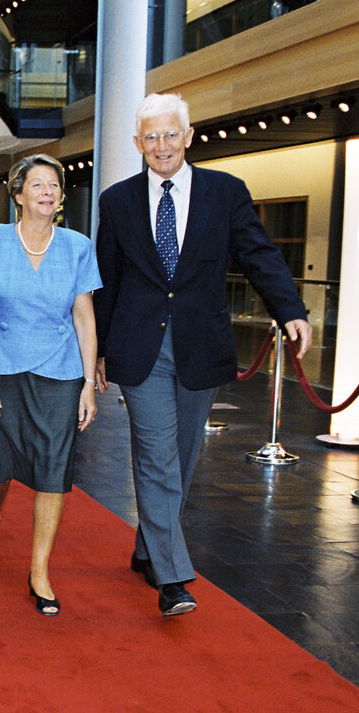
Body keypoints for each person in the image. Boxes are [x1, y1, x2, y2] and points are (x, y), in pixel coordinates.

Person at [94, 92, 312, 616]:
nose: (162, 145)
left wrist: (291, 310)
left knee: (183, 458)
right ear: (137, 143)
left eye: (171, 134)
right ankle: (173, 580)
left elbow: (260, 255)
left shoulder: (225, 193)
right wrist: (96, 350)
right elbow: (106, 280)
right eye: (151, 137)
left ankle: (150, 546)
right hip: (139, 347)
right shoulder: (118, 200)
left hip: (200, 346)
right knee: (156, 455)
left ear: (189, 137)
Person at [0, 154, 101, 616]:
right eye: (37, 185)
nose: (47, 192)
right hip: (1, 369)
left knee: (53, 471)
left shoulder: (78, 246)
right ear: (18, 194)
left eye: (54, 185)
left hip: (59, 373)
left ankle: (39, 569)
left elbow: (84, 316)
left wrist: (86, 383)